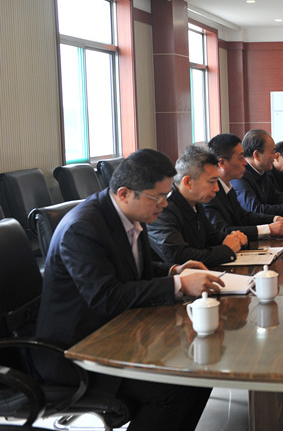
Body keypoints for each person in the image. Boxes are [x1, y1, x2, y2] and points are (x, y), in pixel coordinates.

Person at [36, 149, 223, 430]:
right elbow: (106, 297)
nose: (164, 205)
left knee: (200, 373)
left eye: (166, 195)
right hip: (77, 350)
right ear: (124, 193)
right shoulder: (83, 228)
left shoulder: (131, 213)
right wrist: (179, 284)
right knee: (176, 389)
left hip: (119, 332)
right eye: (157, 197)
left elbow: (130, 271)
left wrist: (174, 270)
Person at [149, 146, 248, 266]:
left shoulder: (196, 203)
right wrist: (227, 250)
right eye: (212, 182)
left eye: (217, 181)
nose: (217, 188)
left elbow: (212, 237)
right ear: (188, 182)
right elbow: (179, 257)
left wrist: (234, 238)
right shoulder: (163, 209)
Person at [204, 133, 283, 241]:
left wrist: (275, 219)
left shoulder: (227, 186)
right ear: (222, 163)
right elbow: (222, 231)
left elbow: (244, 216)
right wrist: (268, 229)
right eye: (240, 158)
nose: (245, 162)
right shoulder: (209, 193)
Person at [232, 130, 283, 216]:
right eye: (272, 152)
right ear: (257, 155)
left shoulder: (263, 171)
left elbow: (276, 197)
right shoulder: (240, 176)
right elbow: (254, 209)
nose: (275, 156)